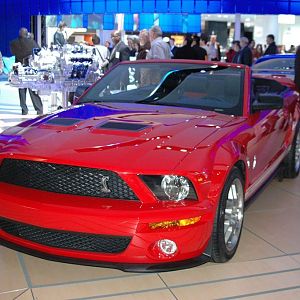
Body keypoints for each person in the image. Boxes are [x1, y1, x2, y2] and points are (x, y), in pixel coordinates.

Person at [10, 27, 43, 115]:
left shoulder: (13, 43)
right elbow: (38, 51)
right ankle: (39, 109)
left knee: (21, 89)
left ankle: (24, 110)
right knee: (33, 89)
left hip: (19, 67)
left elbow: (13, 53)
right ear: (26, 33)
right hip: (30, 68)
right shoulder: (31, 42)